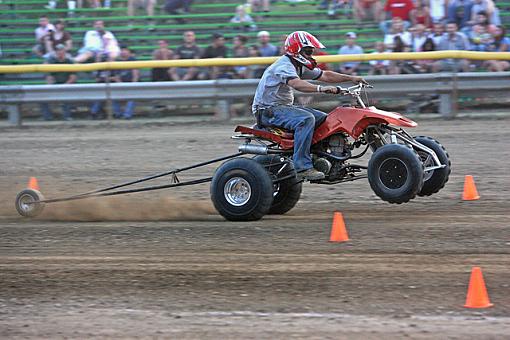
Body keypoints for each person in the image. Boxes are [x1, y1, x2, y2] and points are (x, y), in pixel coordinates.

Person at [252, 31, 366, 181]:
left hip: (282, 108)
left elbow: (325, 75)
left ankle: (319, 156)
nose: (311, 55)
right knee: (306, 119)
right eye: (308, 51)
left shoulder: (298, 65)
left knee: (327, 119)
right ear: (296, 50)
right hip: (267, 110)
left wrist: (352, 78)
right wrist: (320, 88)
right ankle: (302, 166)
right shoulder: (284, 65)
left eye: (311, 51)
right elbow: (296, 84)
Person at [40, 44, 76, 121]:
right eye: (58, 50)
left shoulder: (69, 62)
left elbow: (73, 78)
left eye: (61, 50)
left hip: (67, 85)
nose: (59, 52)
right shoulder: (52, 61)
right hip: (55, 85)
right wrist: (52, 86)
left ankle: (67, 116)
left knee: (66, 96)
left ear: (64, 51)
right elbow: (49, 77)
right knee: (42, 98)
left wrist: (65, 86)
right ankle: (47, 117)